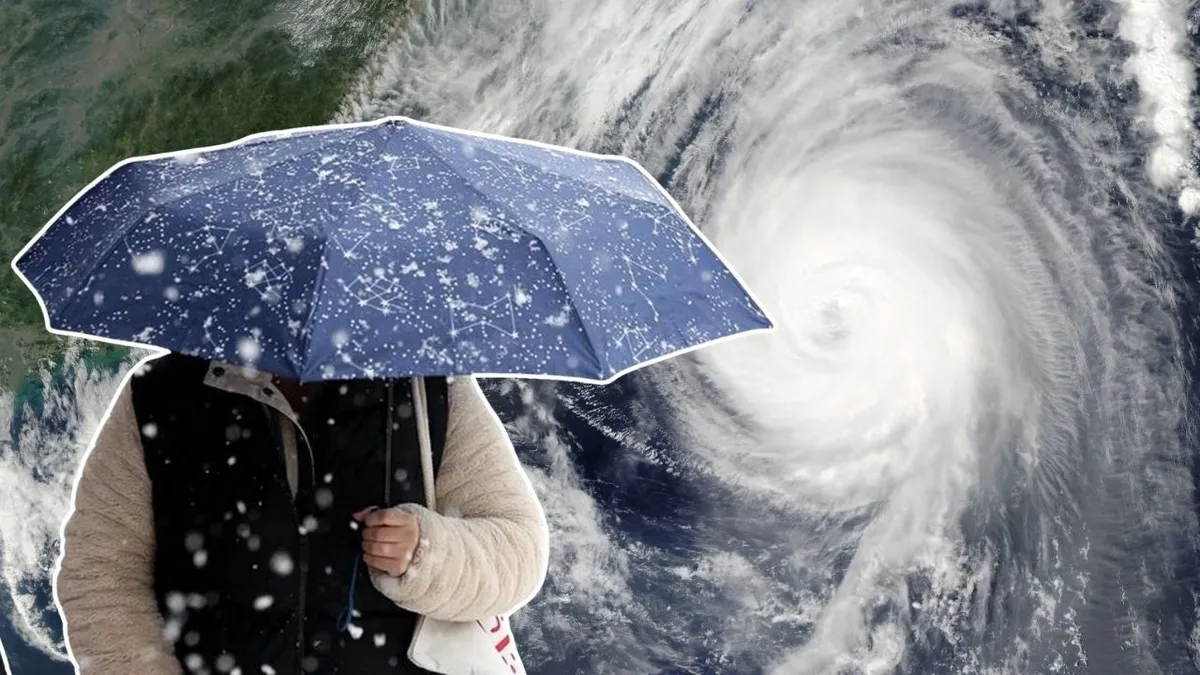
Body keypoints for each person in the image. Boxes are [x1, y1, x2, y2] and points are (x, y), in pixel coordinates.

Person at [55, 352, 550, 675]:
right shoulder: (158, 398)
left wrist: (428, 552)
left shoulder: (428, 390)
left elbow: (519, 550)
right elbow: (100, 575)